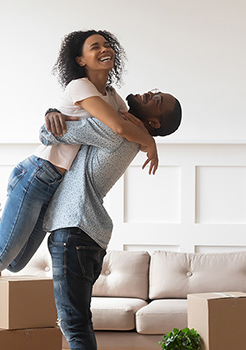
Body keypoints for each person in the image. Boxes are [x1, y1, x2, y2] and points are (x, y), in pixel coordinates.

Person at [0, 30, 179, 275]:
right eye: (95, 47)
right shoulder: (79, 86)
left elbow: (127, 121)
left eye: (107, 44)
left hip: (52, 186)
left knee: (15, 263)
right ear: (80, 60)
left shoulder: (112, 96)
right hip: (37, 174)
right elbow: (118, 127)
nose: (105, 49)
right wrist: (150, 143)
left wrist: (146, 139)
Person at [41, 90, 181, 350]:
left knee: (74, 326)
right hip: (85, 236)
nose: (150, 93)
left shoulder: (117, 128)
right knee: (78, 324)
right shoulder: (126, 131)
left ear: (154, 123)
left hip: (75, 230)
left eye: (157, 100)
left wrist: (52, 115)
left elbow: (47, 134)